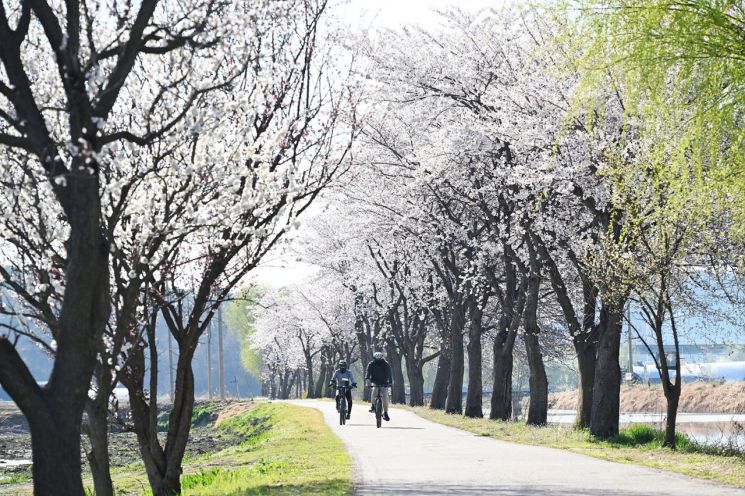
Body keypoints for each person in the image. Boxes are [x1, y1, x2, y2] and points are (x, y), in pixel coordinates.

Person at [365, 351, 392, 421]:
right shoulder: (371, 364)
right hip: (375, 382)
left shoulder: (386, 364)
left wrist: (390, 382)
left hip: (384, 382)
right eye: (376, 359)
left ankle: (385, 412)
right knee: (374, 391)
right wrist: (367, 380)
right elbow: (368, 373)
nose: (378, 361)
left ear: (381, 358)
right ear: (374, 358)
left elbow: (389, 374)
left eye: (379, 359)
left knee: (385, 396)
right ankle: (373, 406)